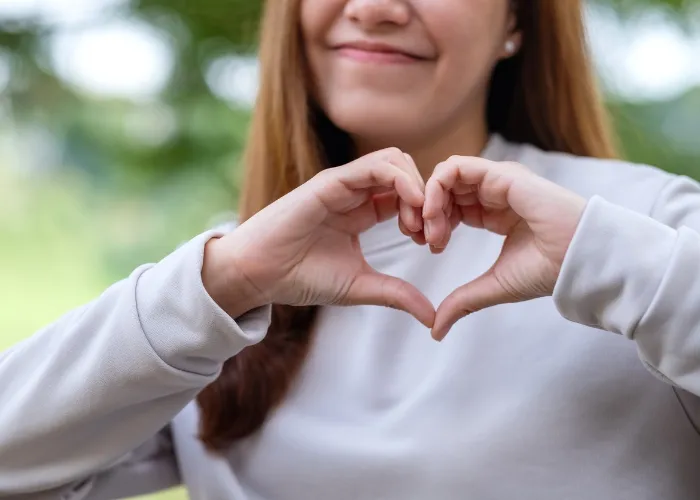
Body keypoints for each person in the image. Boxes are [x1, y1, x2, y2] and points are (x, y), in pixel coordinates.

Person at [3, 0, 700, 498]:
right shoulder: (227, 280)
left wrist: (606, 260)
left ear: (517, 20)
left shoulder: (647, 224)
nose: (375, 7)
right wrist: (227, 279)